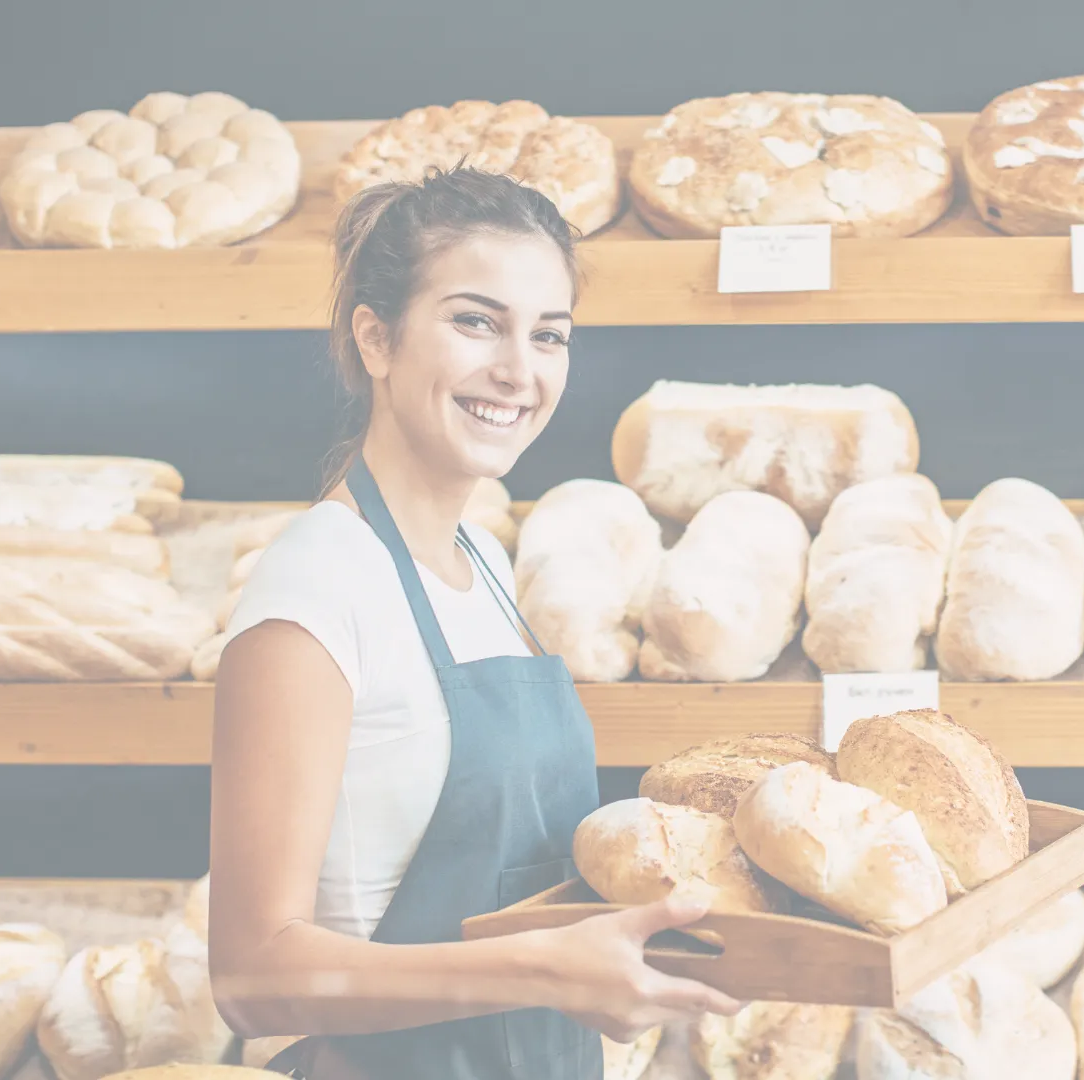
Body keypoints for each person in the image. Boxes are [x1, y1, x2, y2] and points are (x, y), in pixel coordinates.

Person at [207, 167, 740, 1079]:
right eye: (476, 322)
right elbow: (251, 977)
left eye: (549, 335)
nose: (519, 371)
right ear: (376, 338)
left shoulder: (485, 561)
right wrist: (547, 970)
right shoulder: (316, 587)